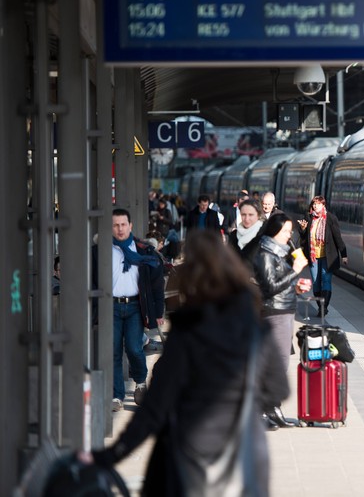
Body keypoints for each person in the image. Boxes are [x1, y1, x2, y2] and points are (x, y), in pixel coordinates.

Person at [82, 230, 291, 496]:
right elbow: (278, 390)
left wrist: (108, 457)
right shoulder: (256, 329)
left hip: (192, 457)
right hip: (245, 456)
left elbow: (153, 411)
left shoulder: (187, 333)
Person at [96, 208, 166, 412]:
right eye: (115, 225)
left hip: (136, 306)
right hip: (112, 306)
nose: (119, 229)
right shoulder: (102, 250)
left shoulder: (143, 251)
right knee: (114, 351)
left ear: (130, 226)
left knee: (134, 348)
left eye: (123, 224)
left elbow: (156, 284)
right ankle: (117, 395)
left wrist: (159, 311)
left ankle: (140, 382)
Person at [250, 212, 311, 427]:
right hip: (274, 313)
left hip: (283, 311)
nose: (289, 235)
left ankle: (272, 408)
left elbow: (278, 284)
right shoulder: (266, 255)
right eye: (285, 231)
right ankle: (263, 410)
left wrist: (296, 286)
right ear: (275, 232)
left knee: (280, 362)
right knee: (276, 363)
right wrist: (294, 272)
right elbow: (270, 287)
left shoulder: (277, 254)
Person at [299, 196, 347, 316]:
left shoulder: (330, 218)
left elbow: (337, 237)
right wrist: (303, 229)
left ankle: (323, 307)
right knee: (316, 282)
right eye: (314, 204)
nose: (315, 206)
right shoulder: (309, 217)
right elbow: (304, 237)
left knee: (326, 280)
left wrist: (344, 254)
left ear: (323, 205)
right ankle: (321, 305)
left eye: (318, 204)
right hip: (313, 256)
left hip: (328, 256)